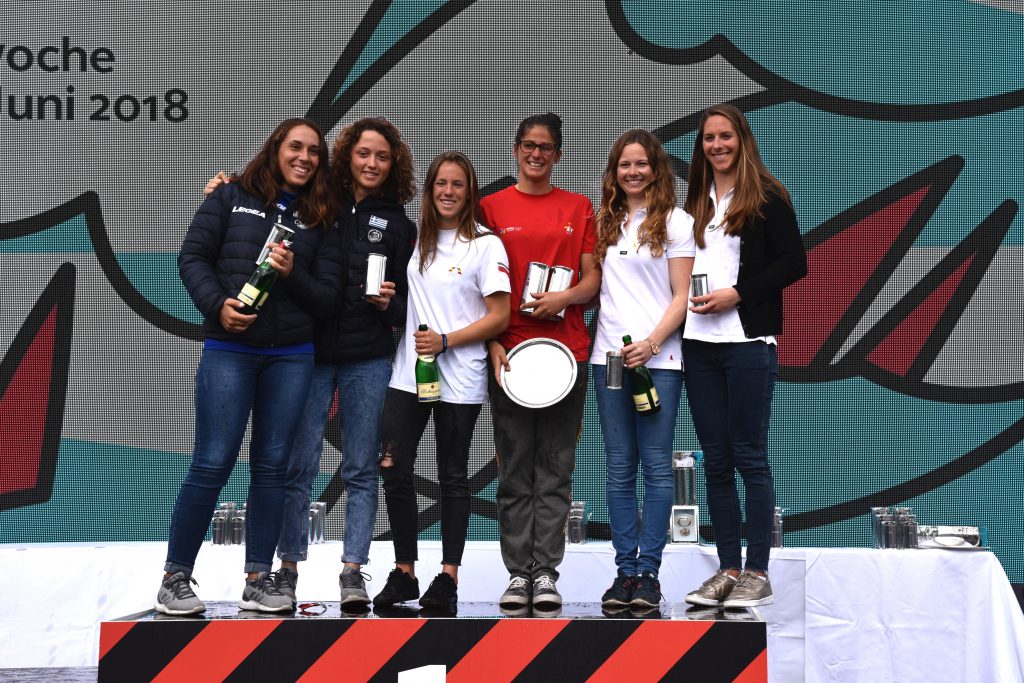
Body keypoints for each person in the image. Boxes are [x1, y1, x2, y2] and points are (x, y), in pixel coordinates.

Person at [202, 116, 417, 610]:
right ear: (347, 157)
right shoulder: (319, 205)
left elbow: (412, 303)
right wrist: (226, 186)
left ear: (394, 165)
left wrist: (393, 305)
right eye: (363, 153)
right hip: (312, 356)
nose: (372, 163)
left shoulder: (401, 225)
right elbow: (262, 197)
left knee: (362, 467)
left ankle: (353, 572)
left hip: (368, 360)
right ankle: (287, 570)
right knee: (296, 466)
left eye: (382, 156)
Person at [157, 117, 342, 615]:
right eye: (295, 147)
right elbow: (192, 257)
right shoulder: (228, 196)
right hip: (229, 350)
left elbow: (327, 299)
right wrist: (217, 306)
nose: (304, 157)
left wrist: (293, 272)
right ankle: (175, 578)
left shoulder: (323, 217)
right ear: (275, 149)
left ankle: (259, 579)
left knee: (272, 468)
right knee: (213, 461)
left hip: (291, 355)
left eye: (314, 152)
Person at [371, 151, 511, 613]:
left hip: (460, 375)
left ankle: (448, 579)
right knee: (393, 465)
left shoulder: (486, 245)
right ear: (430, 192)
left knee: (453, 475)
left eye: (457, 184)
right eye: (440, 184)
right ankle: (405, 572)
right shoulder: (418, 241)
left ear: (470, 192)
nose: (448, 192)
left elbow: (500, 316)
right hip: (409, 373)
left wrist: (448, 340)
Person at [680, 104, 807, 609]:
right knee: (715, 460)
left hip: (749, 343)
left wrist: (738, 294)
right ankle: (726, 567)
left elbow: (794, 263)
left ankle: (758, 569)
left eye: (725, 136)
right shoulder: (694, 200)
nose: (717, 145)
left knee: (750, 457)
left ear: (742, 139)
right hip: (698, 346)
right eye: (709, 138)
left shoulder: (767, 195)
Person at [481, 112, 601, 610]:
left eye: (545, 147)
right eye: (528, 145)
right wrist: (491, 343)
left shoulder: (579, 207)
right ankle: (517, 574)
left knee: (555, 469)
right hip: (511, 358)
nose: (536, 154)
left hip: (565, 357)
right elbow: (477, 285)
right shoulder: (490, 207)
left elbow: (593, 281)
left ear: (558, 155)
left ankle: (546, 573)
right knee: (514, 471)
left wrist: (564, 298)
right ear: (514, 150)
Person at [589, 130, 694, 611]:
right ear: (613, 173)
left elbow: (681, 296)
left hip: (660, 362)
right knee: (617, 468)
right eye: (623, 165)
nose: (632, 172)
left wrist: (651, 345)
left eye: (641, 164)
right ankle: (623, 572)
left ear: (656, 168)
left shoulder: (677, 222)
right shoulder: (604, 222)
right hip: (608, 360)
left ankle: (648, 573)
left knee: (655, 467)